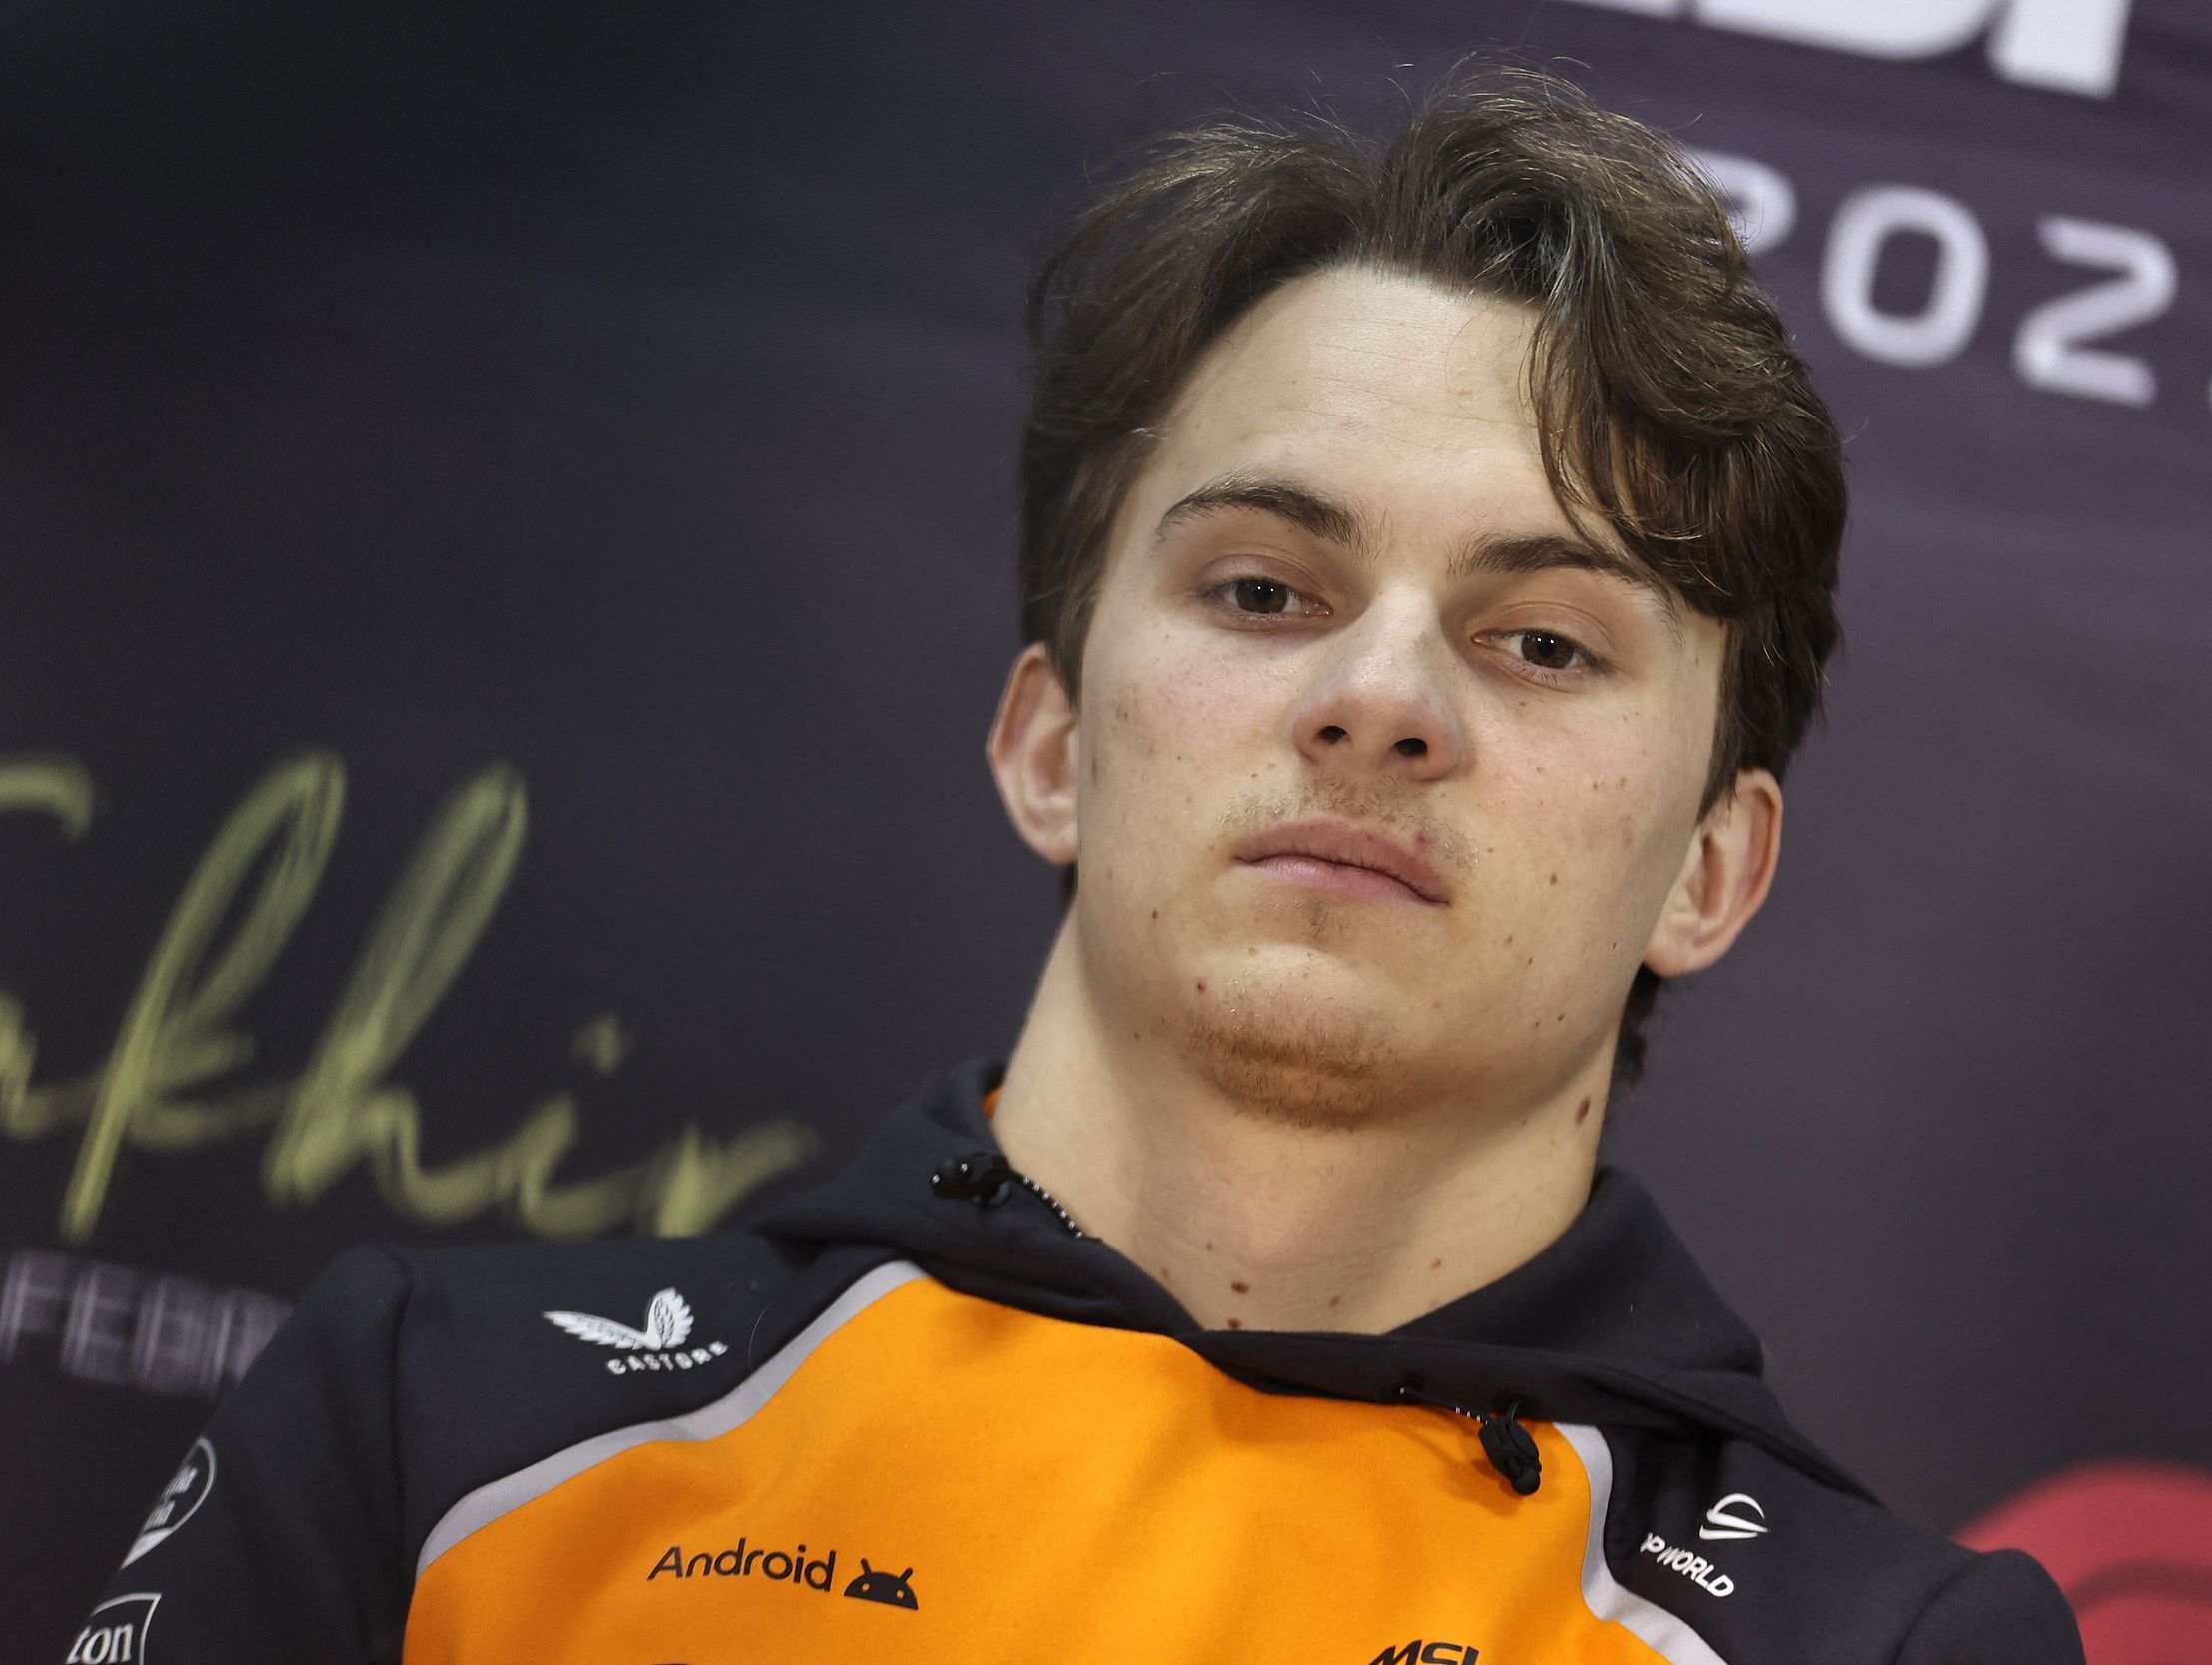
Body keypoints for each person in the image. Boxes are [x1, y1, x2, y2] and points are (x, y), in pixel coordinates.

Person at [71, 67, 2083, 1664]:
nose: (1381, 702)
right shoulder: (441, 1424)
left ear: (1711, 870)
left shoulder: (1879, 1647)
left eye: (1542, 640)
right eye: (1264, 588)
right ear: (1048, 739)